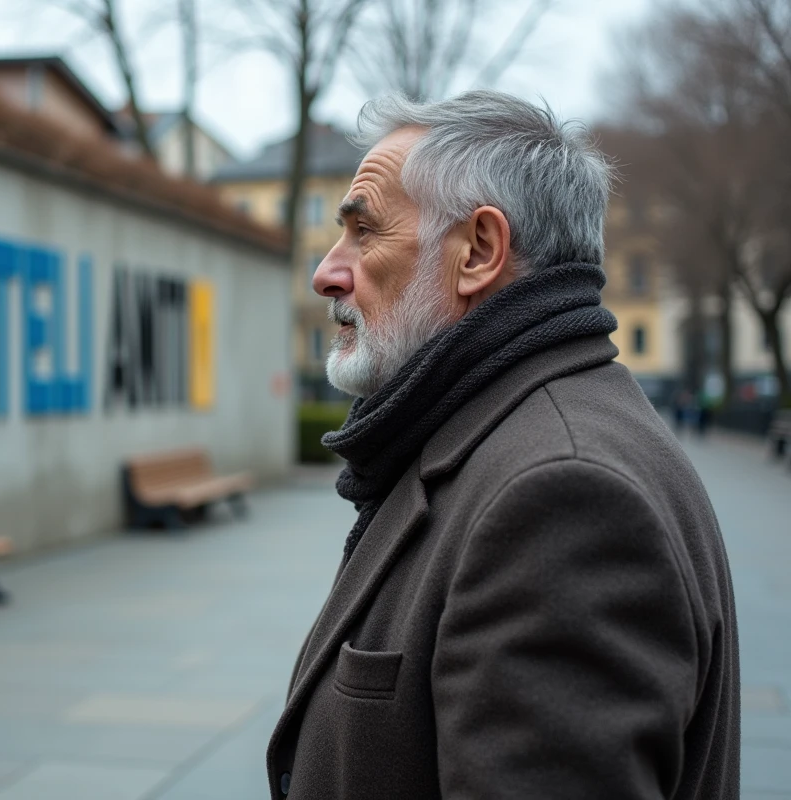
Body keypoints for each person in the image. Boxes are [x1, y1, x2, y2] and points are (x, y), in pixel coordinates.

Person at [267, 91, 739, 799]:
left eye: (364, 233)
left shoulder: (562, 497)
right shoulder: (514, 434)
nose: (327, 272)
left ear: (480, 252)